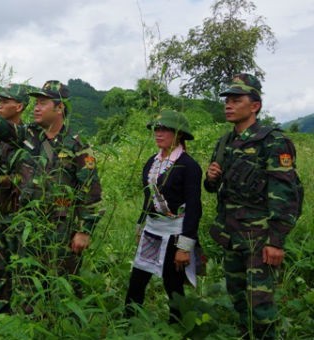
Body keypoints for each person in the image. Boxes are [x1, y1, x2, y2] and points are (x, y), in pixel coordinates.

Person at [0, 80, 102, 310]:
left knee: (63, 283)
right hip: (30, 225)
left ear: (59, 108)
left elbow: (91, 191)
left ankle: (64, 326)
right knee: (28, 283)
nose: (36, 107)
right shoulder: (29, 135)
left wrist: (84, 231)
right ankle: (27, 323)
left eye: (43, 103)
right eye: (35, 102)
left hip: (61, 228)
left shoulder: (76, 145)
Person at [204, 74, 302, 339]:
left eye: (237, 100)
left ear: (255, 106)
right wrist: (211, 178)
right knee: (237, 298)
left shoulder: (272, 141)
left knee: (260, 307)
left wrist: (276, 240)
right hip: (232, 234)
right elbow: (215, 189)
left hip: (260, 239)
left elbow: (285, 194)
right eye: (227, 100)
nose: (229, 105)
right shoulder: (225, 142)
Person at [124, 109, 203, 323]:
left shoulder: (189, 166)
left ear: (179, 134)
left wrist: (184, 246)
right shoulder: (152, 162)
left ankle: (176, 327)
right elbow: (147, 198)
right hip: (152, 230)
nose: (158, 134)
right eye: (156, 129)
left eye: (165, 130)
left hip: (175, 233)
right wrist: (140, 226)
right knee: (137, 278)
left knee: (173, 283)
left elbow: (194, 207)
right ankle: (127, 323)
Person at [0, 84, 30, 314]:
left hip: (19, 212)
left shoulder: (27, 138)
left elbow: (32, 176)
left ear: (19, 106)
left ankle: (22, 312)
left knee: (21, 265)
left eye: (5, 100)